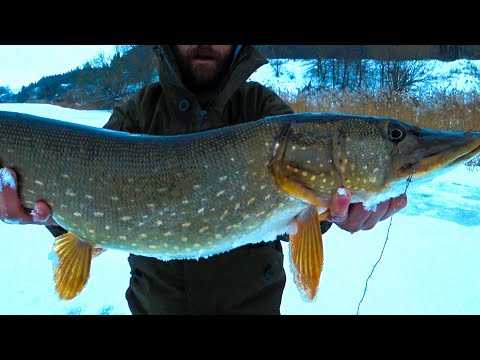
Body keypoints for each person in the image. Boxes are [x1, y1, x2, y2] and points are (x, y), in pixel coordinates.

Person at [0, 45, 407, 314]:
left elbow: (297, 212)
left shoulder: (266, 112)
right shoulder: (138, 112)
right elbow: (85, 204)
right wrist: (45, 216)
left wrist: (331, 216)